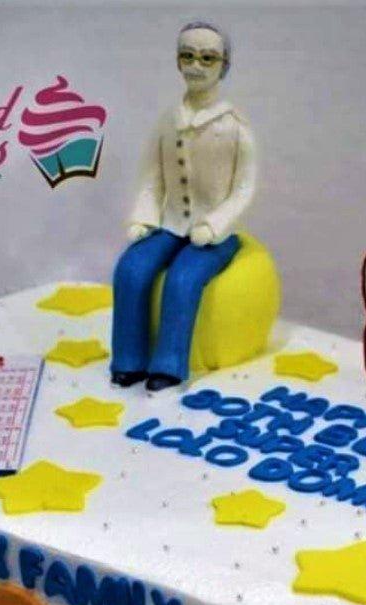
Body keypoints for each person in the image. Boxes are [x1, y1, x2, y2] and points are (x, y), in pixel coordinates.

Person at [110, 21, 257, 391]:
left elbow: (245, 187)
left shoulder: (235, 127)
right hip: (170, 223)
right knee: (131, 268)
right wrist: (143, 218)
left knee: (184, 277)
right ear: (177, 62)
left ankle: (169, 365)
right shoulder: (167, 122)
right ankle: (129, 360)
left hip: (216, 232)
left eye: (208, 59)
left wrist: (215, 225)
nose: (196, 66)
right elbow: (151, 177)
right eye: (188, 56)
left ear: (223, 66)